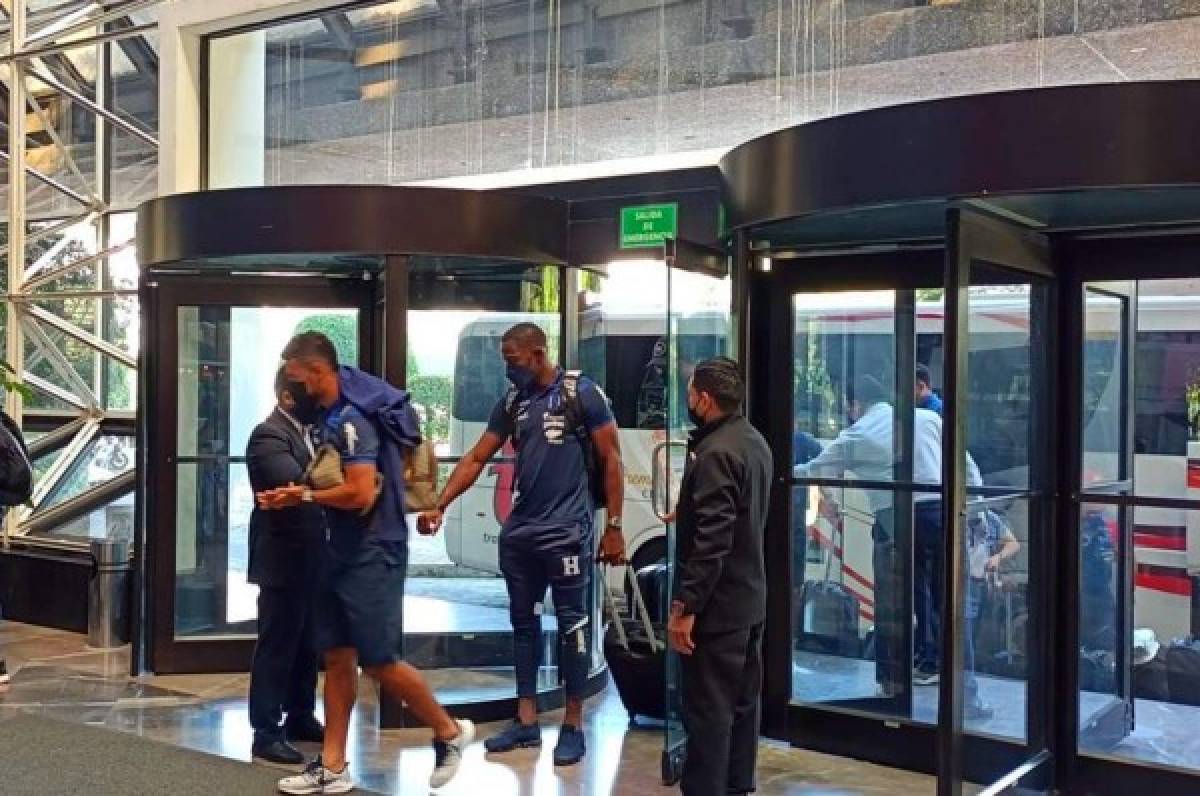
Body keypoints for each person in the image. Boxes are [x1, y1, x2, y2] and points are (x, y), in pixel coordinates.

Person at [258, 332, 473, 794]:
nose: (290, 385)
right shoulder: (335, 415)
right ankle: (333, 765)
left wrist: (305, 493)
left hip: (373, 551)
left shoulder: (355, 419)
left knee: (378, 659)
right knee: (337, 656)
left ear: (316, 371)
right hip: (343, 549)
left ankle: (450, 732)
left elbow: (359, 493)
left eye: (294, 374)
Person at [419, 322, 625, 766]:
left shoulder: (580, 393)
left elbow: (612, 457)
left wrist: (615, 525)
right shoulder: (514, 401)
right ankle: (526, 720)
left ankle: (573, 725)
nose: (508, 371)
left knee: (573, 628)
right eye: (505, 363)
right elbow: (477, 456)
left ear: (538, 353)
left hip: (567, 533)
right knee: (523, 626)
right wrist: (440, 503)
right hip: (522, 535)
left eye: (514, 362)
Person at [667, 358, 772, 796]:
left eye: (690, 392)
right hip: (750, 600)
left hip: (718, 607)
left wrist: (686, 606)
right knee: (743, 706)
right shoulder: (752, 441)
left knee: (708, 714)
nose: (688, 399)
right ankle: (736, 787)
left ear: (704, 399)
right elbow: (736, 513)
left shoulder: (715, 452)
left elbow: (714, 540)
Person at [245, 367, 327, 765]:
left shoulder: (314, 433)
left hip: (314, 558)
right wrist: (333, 485)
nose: (318, 397)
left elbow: (317, 483)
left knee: (308, 643)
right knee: (277, 645)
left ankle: (301, 715)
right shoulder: (268, 435)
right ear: (286, 396)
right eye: (308, 391)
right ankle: (265, 730)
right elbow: (291, 484)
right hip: (282, 558)